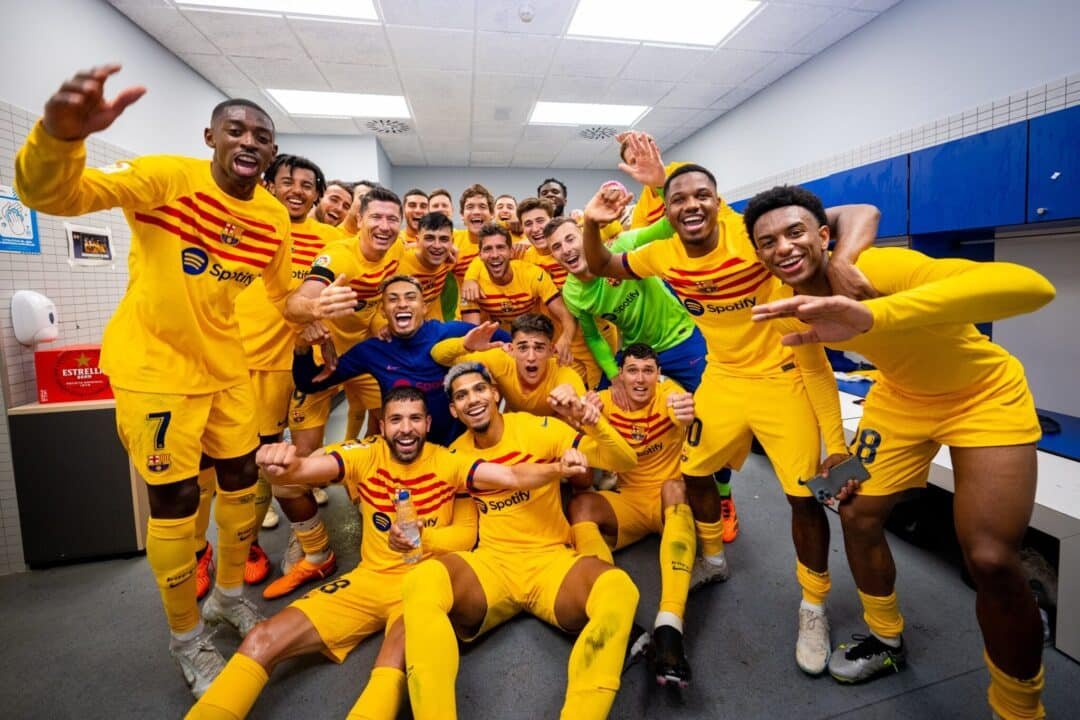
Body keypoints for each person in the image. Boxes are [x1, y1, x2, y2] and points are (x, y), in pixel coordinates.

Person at [13, 64, 338, 697]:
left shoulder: (272, 217)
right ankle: (187, 638)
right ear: (210, 137)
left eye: (262, 136)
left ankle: (227, 597)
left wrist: (313, 308)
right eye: (236, 130)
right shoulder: (165, 178)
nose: (249, 141)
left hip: (225, 367)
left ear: (271, 152)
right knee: (177, 500)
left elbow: (283, 296)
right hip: (155, 369)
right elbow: (54, 196)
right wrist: (59, 137)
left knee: (243, 480)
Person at [746, 185, 1055, 717]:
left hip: (983, 394)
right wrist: (837, 447)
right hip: (900, 400)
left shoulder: (880, 267)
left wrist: (875, 314)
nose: (784, 247)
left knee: (990, 558)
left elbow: (1031, 287)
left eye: (795, 232)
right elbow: (814, 368)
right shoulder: (786, 300)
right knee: (854, 512)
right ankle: (885, 638)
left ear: (824, 235)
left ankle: (1018, 707)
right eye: (768, 241)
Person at [581, 161, 881, 678]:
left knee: (803, 497)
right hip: (721, 378)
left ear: (719, 201)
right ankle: (714, 559)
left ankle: (813, 605)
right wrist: (591, 223)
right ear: (666, 211)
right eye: (678, 199)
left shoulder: (753, 235)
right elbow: (602, 263)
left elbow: (860, 211)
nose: (691, 205)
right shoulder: (663, 253)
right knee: (694, 471)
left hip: (783, 377)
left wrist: (845, 258)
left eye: (703, 194)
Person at [186, 386, 588, 720]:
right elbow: (305, 471)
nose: (406, 428)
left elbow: (512, 477)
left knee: (388, 665)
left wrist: (558, 469)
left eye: (415, 419)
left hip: (424, 589)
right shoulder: (366, 453)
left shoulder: (450, 461)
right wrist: (280, 464)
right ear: (382, 426)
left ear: (428, 424)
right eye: (396, 419)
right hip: (369, 580)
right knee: (262, 639)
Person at [402, 362, 640, 720]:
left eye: (479, 389)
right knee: (420, 580)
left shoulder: (538, 429)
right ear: (453, 409)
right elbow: (464, 532)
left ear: (495, 393)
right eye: (461, 396)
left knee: (619, 589)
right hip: (493, 566)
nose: (473, 400)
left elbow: (626, 460)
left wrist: (593, 424)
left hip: (551, 563)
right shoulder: (455, 454)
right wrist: (423, 536)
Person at [267, 186, 405, 600]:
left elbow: (381, 300)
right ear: (359, 219)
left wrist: (380, 321)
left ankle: (379, 509)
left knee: (394, 437)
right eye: (376, 217)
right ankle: (313, 549)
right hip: (319, 360)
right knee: (295, 467)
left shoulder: (396, 253)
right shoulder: (339, 256)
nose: (384, 226)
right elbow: (297, 303)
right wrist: (315, 309)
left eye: (392, 219)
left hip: (364, 359)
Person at [233, 153, 344, 587]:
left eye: (306, 185)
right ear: (269, 185)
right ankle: (245, 543)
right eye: (287, 182)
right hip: (253, 360)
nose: (296, 191)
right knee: (255, 460)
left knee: (302, 459)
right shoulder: (248, 227)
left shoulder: (331, 240)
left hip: (308, 363)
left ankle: (307, 541)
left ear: (317, 195)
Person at [567, 344, 699, 687]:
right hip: (630, 501)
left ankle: (670, 626)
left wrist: (684, 411)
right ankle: (611, 610)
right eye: (632, 370)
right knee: (580, 506)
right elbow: (582, 445)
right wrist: (584, 418)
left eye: (648, 371)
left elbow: (681, 409)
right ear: (620, 376)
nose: (640, 379)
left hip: (669, 501)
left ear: (658, 375)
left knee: (675, 487)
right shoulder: (603, 402)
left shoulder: (669, 394)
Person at [292, 275, 510, 445]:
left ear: (424, 308)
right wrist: (302, 346)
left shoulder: (452, 332)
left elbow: (512, 343)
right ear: (383, 311)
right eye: (393, 299)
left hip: (460, 449)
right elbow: (309, 383)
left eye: (410, 297)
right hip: (404, 452)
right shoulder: (372, 351)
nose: (402, 304)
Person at [459, 223, 578, 367]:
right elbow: (473, 333)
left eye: (500, 247)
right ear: (480, 255)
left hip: (532, 341)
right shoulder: (472, 286)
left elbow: (566, 316)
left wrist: (565, 340)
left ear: (511, 252)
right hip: (497, 343)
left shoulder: (532, 274)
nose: (495, 255)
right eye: (488, 249)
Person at [431, 313, 585, 416]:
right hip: (515, 429)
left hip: (554, 433)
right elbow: (438, 355)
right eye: (523, 348)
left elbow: (582, 407)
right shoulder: (499, 359)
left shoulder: (563, 373)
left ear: (551, 350)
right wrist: (465, 345)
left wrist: (576, 402)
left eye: (539, 348)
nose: (531, 357)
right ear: (511, 349)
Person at [396, 212, 456, 322]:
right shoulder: (398, 265)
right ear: (418, 240)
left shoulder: (449, 260)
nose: (437, 246)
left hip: (435, 326)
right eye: (429, 238)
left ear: (452, 242)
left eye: (443, 239)